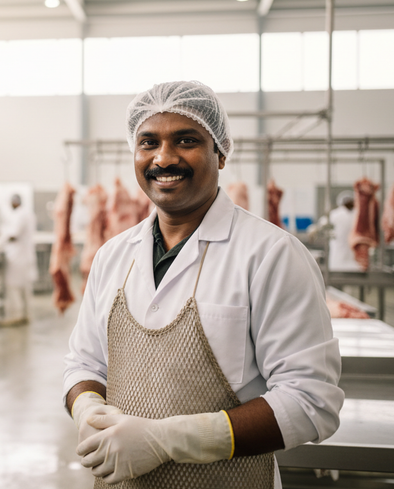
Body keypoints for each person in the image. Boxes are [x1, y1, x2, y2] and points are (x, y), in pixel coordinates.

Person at [63, 81, 344, 488]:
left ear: (221, 152)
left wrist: (166, 440)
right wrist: (87, 408)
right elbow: (84, 362)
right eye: (148, 142)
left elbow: (311, 401)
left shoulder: (271, 254)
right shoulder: (112, 256)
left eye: (186, 140)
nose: (164, 158)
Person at [0, 194, 38, 326]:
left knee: (13, 286)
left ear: (15, 202)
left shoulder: (20, 214)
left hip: (18, 256)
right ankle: (26, 314)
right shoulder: (27, 213)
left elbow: (13, 235)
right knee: (25, 287)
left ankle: (16, 316)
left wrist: (0, 241)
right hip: (25, 255)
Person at [327, 190, 360, 272]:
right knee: (339, 266)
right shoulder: (336, 214)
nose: (350, 203)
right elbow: (324, 223)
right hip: (339, 245)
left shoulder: (357, 214)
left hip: (353, 247)